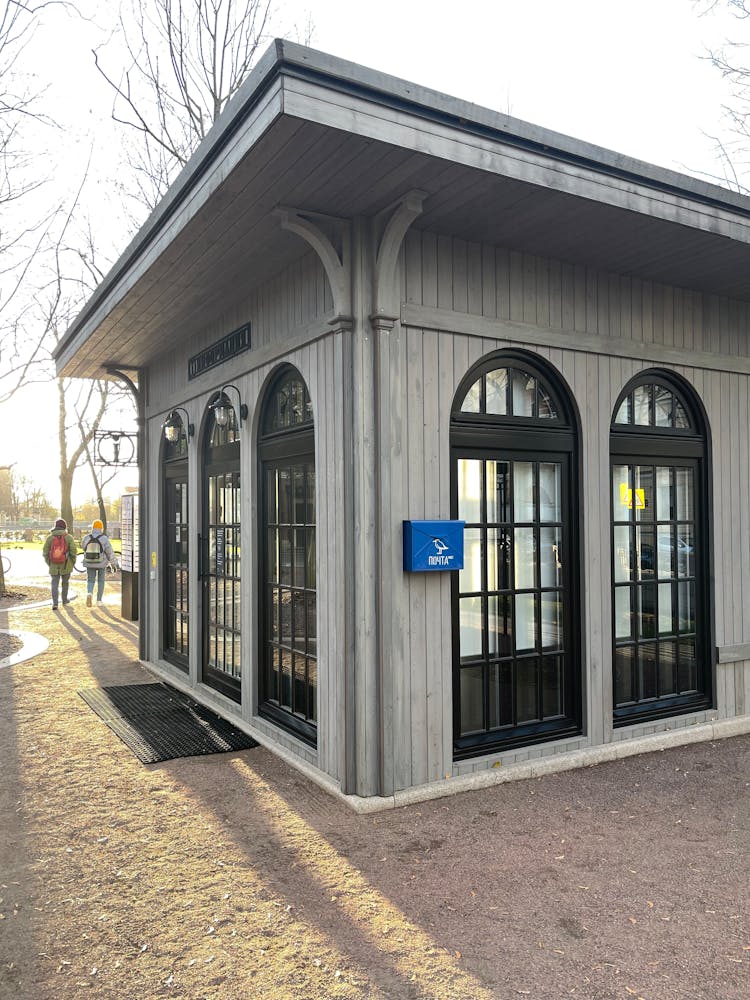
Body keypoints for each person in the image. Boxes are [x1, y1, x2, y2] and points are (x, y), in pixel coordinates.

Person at [81, 519, 119, 606]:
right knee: (101, 580)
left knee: (90, 580)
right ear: (101, 528)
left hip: (89, 562)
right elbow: (110, 552)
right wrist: (114, 564)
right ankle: (99, 601)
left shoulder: (87, 537)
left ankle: (89, 593)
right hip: (101, 563)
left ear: (93, 527)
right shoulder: (104, 538)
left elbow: (84, 548)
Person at [43, 518, 78, 610]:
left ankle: (55, 603)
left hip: (53, 565)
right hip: (66, 565)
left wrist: (50, 563)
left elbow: (45, 552)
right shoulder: (69, 537)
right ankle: (64, 600)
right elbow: (73, 551)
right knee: (65, 583)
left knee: (54, 584)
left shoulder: (50, 538)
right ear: (65, 527)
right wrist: (72, 562)